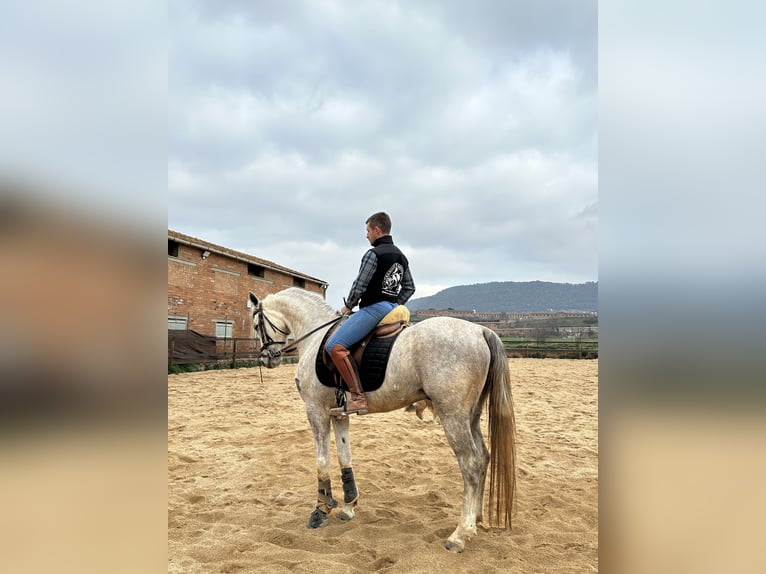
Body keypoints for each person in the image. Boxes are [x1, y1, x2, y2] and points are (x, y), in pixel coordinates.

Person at [326, 212, 416, 416]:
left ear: (377, 230)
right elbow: (410, 287)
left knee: (335, 346)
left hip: (374, 309)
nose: (366, 235)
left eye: (367, 230)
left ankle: (358, 398)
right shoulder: (401, 256)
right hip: (393, 310)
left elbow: (360, 285)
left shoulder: (373, 254)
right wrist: (393, 304)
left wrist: (348, 306)